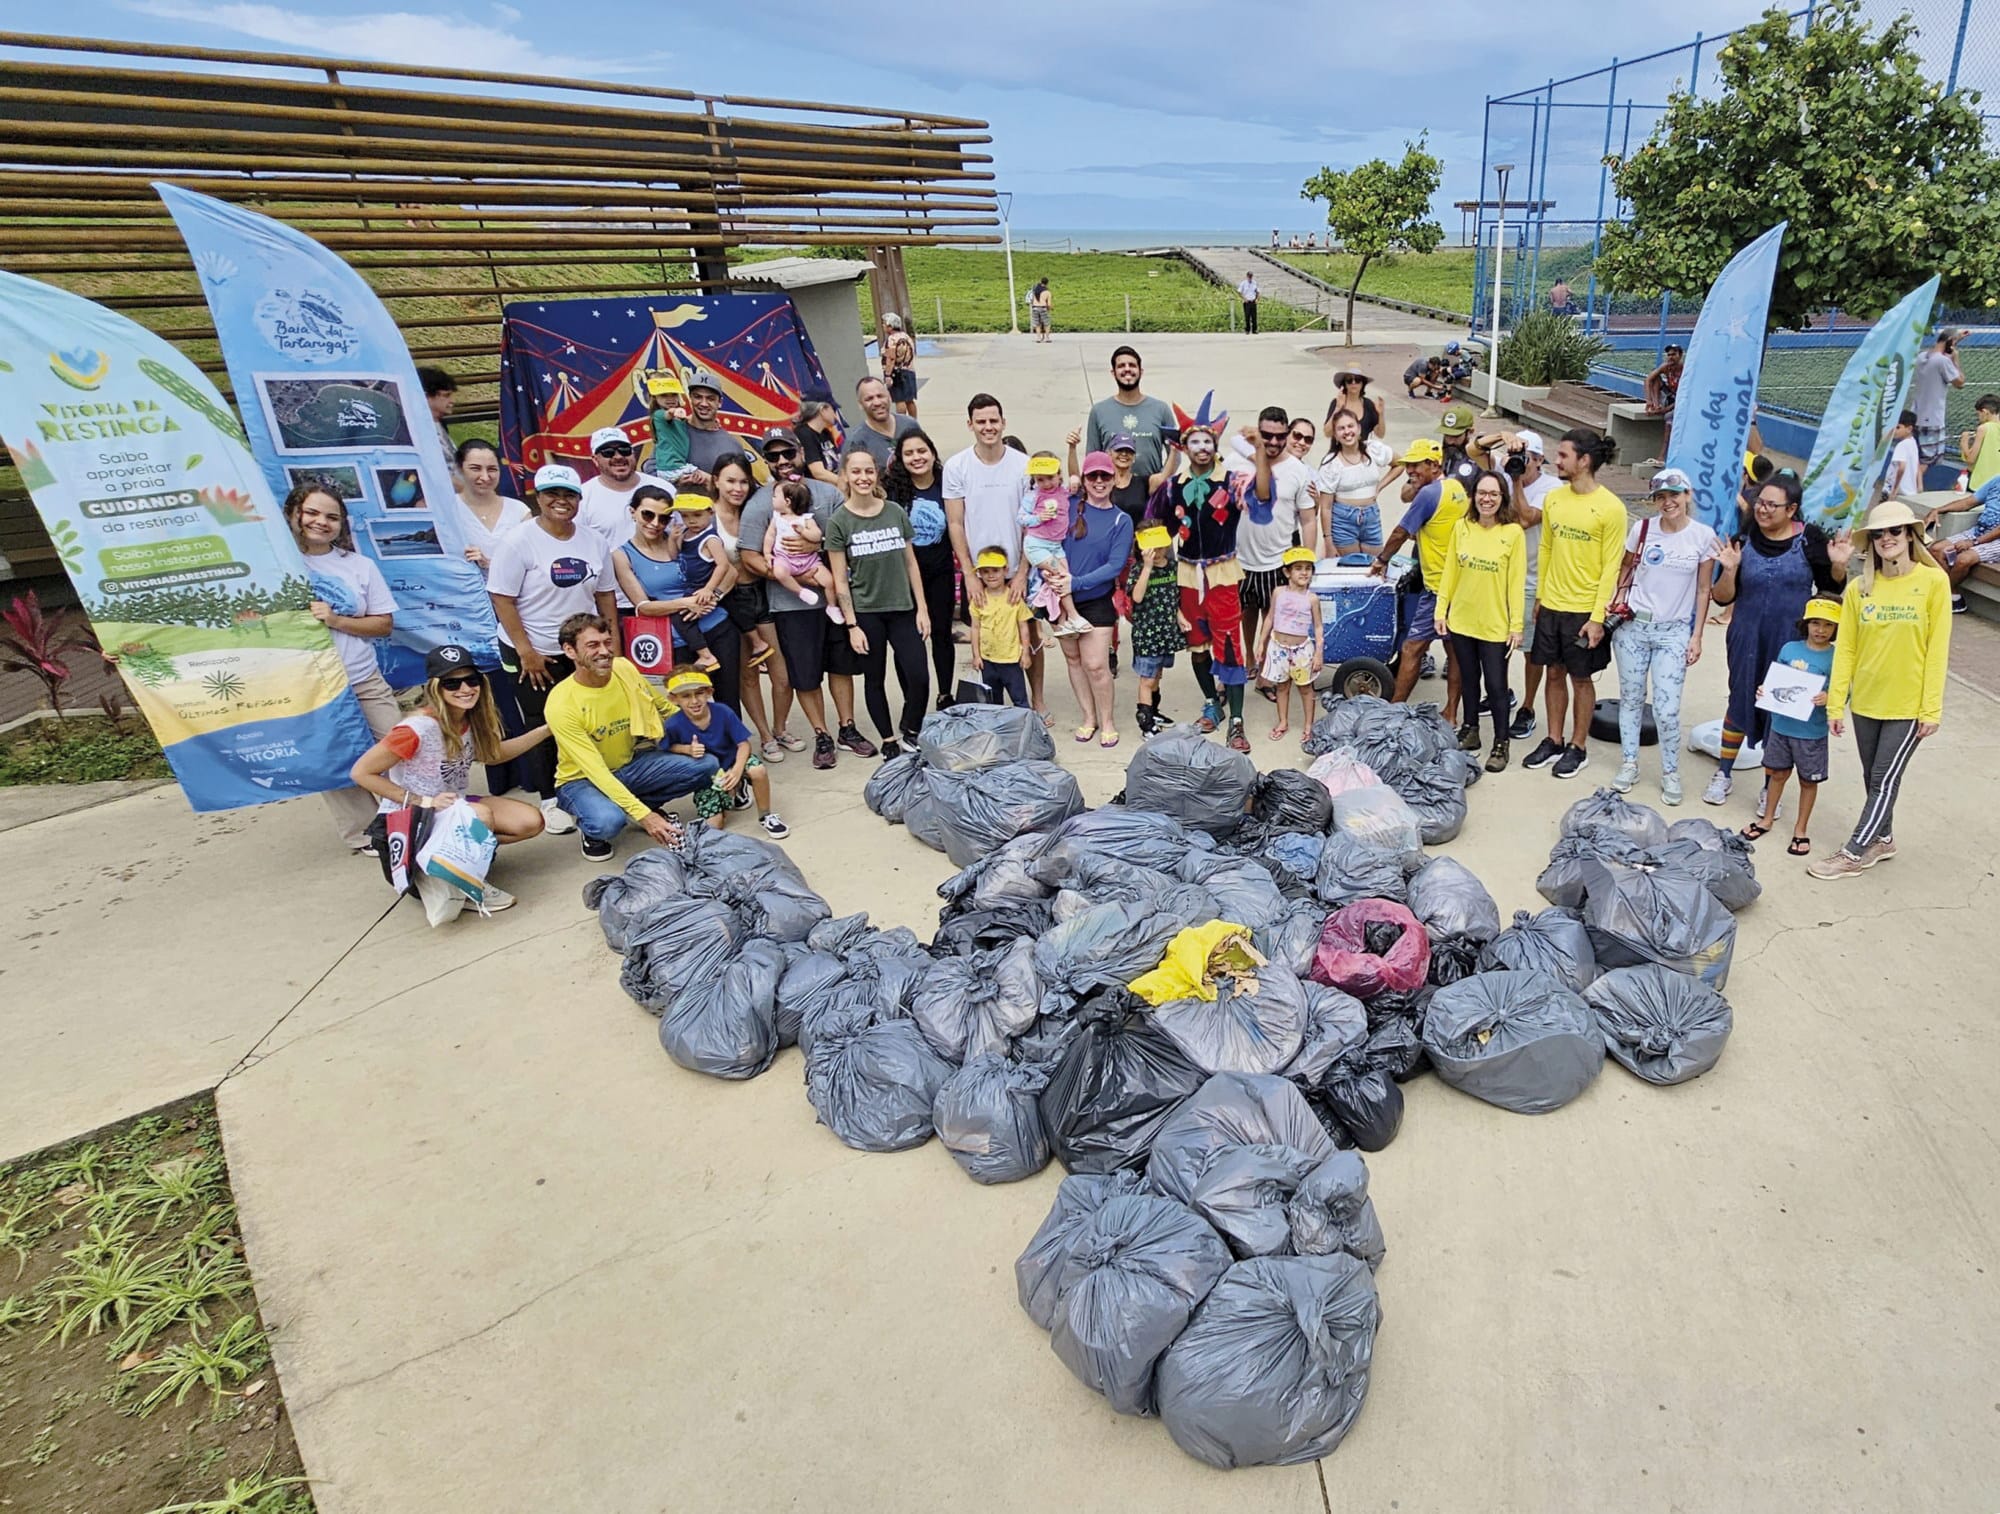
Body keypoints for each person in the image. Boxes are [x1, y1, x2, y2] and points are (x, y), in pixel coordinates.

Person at [1809, 501, 1952, 880]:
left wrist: (1931, 710)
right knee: (1874, 777)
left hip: (1907, 705)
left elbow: (1938, 650)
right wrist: (1836, 704)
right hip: (1867, 702)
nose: (1886, 539)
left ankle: (1854, 851)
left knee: (1884, 779)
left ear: (1909, 535)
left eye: (1894, 531)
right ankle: (1884, 837)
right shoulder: (1860, 588)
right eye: (1878, 534)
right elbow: (1848, 650)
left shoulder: (1934, 582)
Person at [349, 645, 551, 909]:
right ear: (435, 688)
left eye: (471, 680)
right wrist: (421, 800)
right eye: (452, 683)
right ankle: (464, 884)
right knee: (480, 817)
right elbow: (362, 772)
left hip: (448, 806)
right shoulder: (416, 728)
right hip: (409, 824)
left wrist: (547, 730)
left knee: (529, 821)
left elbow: (494, 754)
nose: (465, 689)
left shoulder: (467, 719)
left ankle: (456, 861)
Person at [486, 462, 619, 833]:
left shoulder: (593, 540)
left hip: (581, 649)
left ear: (579, 499)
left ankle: (587, 784)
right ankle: (550, 797)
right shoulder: (518, 540)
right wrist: (525, 650)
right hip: (535, 651)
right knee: (543, 723)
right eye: (552, 494)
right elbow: (502, 598)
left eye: (568, 494)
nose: (561, 501)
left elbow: (605, 595)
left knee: (589, 716)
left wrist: (613, 644)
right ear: (538, 498)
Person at [1704, 472, 1851, 805]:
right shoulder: (1744, 537)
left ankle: (1771, 786)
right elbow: (1722, 598)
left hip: (1790, 640)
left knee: (1781, 706)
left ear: (1792, 509)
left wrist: (1839, 566)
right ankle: (1723, 774)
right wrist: (1729, 569)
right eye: (1760, 502)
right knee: (1740, 698)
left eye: (1772, 504)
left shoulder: (1810, 538)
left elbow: (1831, 589)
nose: (1763, 509)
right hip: (1746, 635)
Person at [737, 429, 872, 769]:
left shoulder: (828, 494)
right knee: (805, 675)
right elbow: (750, 556)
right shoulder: (760, 503)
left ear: (800, 452)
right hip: (790, 606)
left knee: (841, 667)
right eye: (773, 456)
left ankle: (847, 727)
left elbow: (852, 540)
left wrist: (818, 545)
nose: (782, 461)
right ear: (766, 461)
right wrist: (792, 576)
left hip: (834, 599)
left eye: (788, 453)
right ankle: (821, 734)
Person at [545, 614, 716, 860]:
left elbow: (663, 708)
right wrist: (646, 817)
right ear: (570, 651)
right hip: (582, 780)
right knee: (608, 822)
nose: (604, 651)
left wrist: (714, 731)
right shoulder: (561, 703)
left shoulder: (624, 667)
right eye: (593, 645)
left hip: (629, 764)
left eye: (607, 642)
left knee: (707, 763)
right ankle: (591, 828)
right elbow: (596, 771)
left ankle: (630, 804)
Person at [287, 484, 400, 851]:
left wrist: (336, 620)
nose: (321, 522)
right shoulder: (275, 564)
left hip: (362, 676)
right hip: (310, 686)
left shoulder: (358, 566)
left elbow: (382, 624)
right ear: (294, 513)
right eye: (312, 513)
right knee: (336, 757)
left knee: (399, 745)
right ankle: (364, 832)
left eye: (332, 517)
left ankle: (410, 814)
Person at [1606, 467, 1719, 805]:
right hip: (1633, 628)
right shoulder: (1641, 529)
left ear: (1687, 496)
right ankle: (1630, 763)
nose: (1668, 502)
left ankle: (1670, 771)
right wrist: (1616, 604)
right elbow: (1625, 569)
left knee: (1667, 709)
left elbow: (1703, 589)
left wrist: (1696, 635)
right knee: (1630, 699)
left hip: (1673, 631)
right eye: (1661, 497)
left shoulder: (1702, 536)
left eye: (1674, 495)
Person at [1519, 429, 1626, 781]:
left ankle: (1577, 747)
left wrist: (1598, 617)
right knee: (1553, 673)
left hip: (1585, 610)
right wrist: (1540, 598)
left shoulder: (1611, 508)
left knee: (1581, 679)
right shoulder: (1554, 499)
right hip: (1551, 604)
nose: (1557, 461)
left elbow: (1612, 567)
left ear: (1585, 461)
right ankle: (1553, 738)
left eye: (1564, 455)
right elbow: (1546, 548)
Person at [826, 448, 931, 757]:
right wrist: (852, 625)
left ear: (877, 474)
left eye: (868, 471)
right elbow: (840, 579)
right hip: (866, 613)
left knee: (919, 676)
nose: (863, 477)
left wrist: (922, 608)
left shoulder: (895, 512)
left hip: (902, 609)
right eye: (856, 471)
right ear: (845, 475)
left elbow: (911, 563)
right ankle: (887, 739)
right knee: (875, 679)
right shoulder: (839, 522)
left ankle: (911, 728)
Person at [944, 393, 1043, 718]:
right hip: (981, 574)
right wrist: (969, 574)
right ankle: (997, 709)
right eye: (981, 421)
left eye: (994, 420)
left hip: (1018, 566)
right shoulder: (957, 466)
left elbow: (1033, 524)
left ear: (1003, 423)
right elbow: (956, 523)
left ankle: (1036, 700)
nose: (988, 427)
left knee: (1030, 633)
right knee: (986, 631)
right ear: (970, 424)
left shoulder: (1022, 465)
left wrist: (1023, 570)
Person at [1160, 422, 1252, 751]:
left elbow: (1264, 496)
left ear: (1215, 445)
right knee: (1197, 644)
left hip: (1222, 574)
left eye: (1207, 441)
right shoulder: (1174, 486)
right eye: (1194, 441)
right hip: (1187, 574)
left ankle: (1237, 719)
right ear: (1185, 447)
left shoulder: (1233, 481)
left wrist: (1258, 456)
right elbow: (1161, 528)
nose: (1201, 447)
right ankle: (1212, 701)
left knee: (1229, 646)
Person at [706, 453, 797, 758]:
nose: (738, 488)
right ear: (716, 481)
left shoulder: (756, 509)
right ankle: (765, 735)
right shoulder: (706, 516)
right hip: (729, 602)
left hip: (763, 592)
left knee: (781, 671)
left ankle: (781, 727)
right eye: (730, 480)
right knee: (747, 675)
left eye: (744, 481)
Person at [1434, 469, 1526, 770]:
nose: (1487, 499)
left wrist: (1516, 626)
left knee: (1497, 685)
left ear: (1502, 498)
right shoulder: (1462, 527)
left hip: (1495, 625)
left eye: (1494, 494)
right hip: (1462, 620)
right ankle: (1470, 730)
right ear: (1473, 496)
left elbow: (1516, 582)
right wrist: (1441, 610)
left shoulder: (1512, 534)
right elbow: (1450, 571)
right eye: (1482, 493)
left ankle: (1501, 743)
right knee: (1468, 679)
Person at [1368, 440, 1466, 716]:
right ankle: (1452, 712)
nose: (1409, 469)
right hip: (1459, 584)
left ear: (1434, 465)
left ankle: (1394, 710)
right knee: (1454, 650)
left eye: (1416, 464)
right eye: (1408, 464)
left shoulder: (1429, 494)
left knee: (1412, 648)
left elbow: (1400, 532)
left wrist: (1382, 559)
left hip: (1437, 587)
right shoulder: (1456, 488)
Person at [1741, 599, 1839, 858]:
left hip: (1812, 732)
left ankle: (1800, 829)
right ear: (1805, 624)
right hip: (1782, 725)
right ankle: (1767, 819)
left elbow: (1844, 690)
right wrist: (1765, 690)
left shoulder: (1836, 656)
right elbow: (1776, 681)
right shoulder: (1789, 648)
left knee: (1809, 781)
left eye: (1828, 625)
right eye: (1815, 623)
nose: (1821, 629)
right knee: (1777, 774)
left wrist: (1829, 697)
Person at [1224, 406, 1318, 675]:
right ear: (1258, 432)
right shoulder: (1235, 461)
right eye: (1267, 435)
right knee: (1245, 612)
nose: (1274, 442)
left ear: (1287, 434)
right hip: (1239, 557)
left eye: (1280, 436)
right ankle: (1249, 661)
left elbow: (1308, 519)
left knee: (1274, 615)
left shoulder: (1298, 470)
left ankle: (1267, 667)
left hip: (1279, 557)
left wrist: (1307, 562)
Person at [1051, 451, 1135, 747]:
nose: (1099, 481)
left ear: (1114, 479)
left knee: (1096, 664)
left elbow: (1114, 565)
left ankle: (1107, 720)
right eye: (1092, 476)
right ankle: (1089, 717)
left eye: (1105, 476)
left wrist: (1076, 582)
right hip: (1059, 597)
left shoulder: (1120, 520)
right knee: (1073, 659)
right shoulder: (1068, 505)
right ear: (1084, 480)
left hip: (1096, 599)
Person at [661, 669, 789, 839]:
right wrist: (686, 749)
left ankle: (766, 815)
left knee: (757, 770)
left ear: (709, 693)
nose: (694, 701)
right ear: (673, 699)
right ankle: (733, 791)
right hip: (706, 775)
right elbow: (665, 747)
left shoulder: (723, 712)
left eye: (699, 693)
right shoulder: (673, 724)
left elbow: (743, 744)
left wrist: (737, 770)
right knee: (714, 826)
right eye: (685, 696)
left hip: (732, 761)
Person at [881, 427, 957, 708]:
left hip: (940, 573)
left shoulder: (946, 483)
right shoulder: (892, 489)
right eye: (909, 453)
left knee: (941, 634)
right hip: (903, 578)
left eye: (921, 451)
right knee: (908, 642)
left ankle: (945, 694)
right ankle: (912, 700)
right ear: (900, 458)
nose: (916, 457)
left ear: (933, 453)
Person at [1506, 430, 1558, 740]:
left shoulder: (1552, 487)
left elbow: (1525, 518)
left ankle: (1527, 707)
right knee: (1495, 643)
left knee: (1529, 650)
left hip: (1531, 579)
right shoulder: (1503, 469)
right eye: (1518, 457)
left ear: (1538, 460)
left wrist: (1514, 480)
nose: (1520, 464)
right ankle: (1501, 693)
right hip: (1500, 575)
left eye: (1526, 459)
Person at [1254, 546, 1323, 743]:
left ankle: (1309, 726)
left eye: (1308, 568)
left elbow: (1318, 627)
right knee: (1282, 686)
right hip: (1278, 649)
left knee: (1306, 688)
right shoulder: (1278, 593)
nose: (1304, 572)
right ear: (1287, 572)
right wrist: (1261, 644)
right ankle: (1283, 722)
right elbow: (1269, 619)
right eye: (1298, 568)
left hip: (1302, 651)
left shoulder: (1312, 598)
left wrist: (1318, 653)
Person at [1019, 452, 1093, 634]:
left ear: (1059, 474)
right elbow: (1021, 518)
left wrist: (1075, 479)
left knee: (1063, 578)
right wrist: (1038, 518)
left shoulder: (1064, 492)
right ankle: (1074, 616)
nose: (1046, 483)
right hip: (1036, 545)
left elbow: (1076, 480)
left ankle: (1063, 621)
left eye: (1050, 478)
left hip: (1056, 545)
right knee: (1061, 576)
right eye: (1040, 480)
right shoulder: (1033, 496)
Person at [1084, 347, 1179, 480]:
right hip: (1112, 493)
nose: (1127, 369)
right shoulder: (1099, 411)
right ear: (1113, 373)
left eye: (1132, 365)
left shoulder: (1161, 409)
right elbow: (1092, 458)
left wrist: (1160, 481)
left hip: (1151, 493)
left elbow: (1175, 454)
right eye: (1121, 366)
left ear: (1140, 372)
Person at [1126, 523, 1185, 735]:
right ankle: (1146, 722)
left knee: (1158, 674)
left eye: (1161, 547)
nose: (1158, 552)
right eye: (1153, 548)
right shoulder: (1138, 569)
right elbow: (1137, 596)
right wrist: (1148, 567)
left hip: (1166, 632)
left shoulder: (1172, 567)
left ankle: (1154, 709)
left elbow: (1173, 597)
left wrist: (1180, 617)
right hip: (1147, 634)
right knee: (1147, 678)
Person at [1313, 410, 1396, 560]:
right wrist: (1328, 542)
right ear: (1335, 435)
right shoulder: (1331, 463)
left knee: (1375, 566)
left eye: (1350, 426)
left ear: (1358, 429)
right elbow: (1326, 507)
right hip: (1343, 521)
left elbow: (1400, 464)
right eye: (1341, 428)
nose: (1347, 432)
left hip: (1371, 518)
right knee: (1350, 568)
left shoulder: (1373, 450)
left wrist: (1380, 487)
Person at [576, 425, 666, 549]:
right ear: (595, 460)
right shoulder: (582, 497)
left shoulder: (663, 487)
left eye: (624, 450)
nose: (618, 457)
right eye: (608, 453)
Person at [763, 480, 841, 617]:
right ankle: (800, 591)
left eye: (775, 496)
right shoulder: (777, 518)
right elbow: (770, 536)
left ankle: (832, 606)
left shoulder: (805, 519)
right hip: (784, 558)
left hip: (809, 560)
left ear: (787, 501)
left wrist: (803, 531)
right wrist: (767, 553)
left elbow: (817, 536)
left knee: (829, 581)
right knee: (780, 572)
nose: (772, 499)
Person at [1924, 473, 2000, 612]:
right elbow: (1968, 502)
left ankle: (1940, 597)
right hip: (1978, 531)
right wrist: (1938, 510)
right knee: (1936, 549)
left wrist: (1973, 542)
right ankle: (1953, 596)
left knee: (1963, 559)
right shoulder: (1997, 480)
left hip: (1996, 540)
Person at [452, 439, 529, 576]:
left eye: (492, 469)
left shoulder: (519, 511)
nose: (485, 477)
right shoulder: (448, 509)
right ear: (459, 469)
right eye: (475, 469)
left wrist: (489, 563)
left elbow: (532, 560)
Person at [968, 548, 1033, 706]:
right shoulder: (978, 600)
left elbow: (1023, 627)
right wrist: (976, 655)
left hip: (1011, 659)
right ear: (980, 574)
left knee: (1019, 698)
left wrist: (1025, 653)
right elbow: (975, 628)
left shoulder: (1014, 597)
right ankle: (998, 728)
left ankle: (1024, 726)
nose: (991, 575)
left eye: (996, 570)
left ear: (1006, 570)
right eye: (985, 571)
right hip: (988, 659)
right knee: (992, 701)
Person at [678, 368, 753, 490]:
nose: (703, 403)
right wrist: (674, 478)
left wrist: (709, 481)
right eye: (698, 397)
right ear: (690, 398)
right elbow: (651, 469)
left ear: (720, 402)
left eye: (710, 398)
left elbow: (744, 486)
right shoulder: (674, 433)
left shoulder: (732, 445)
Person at [1911, 329, 1965, 471]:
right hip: (1932, 418)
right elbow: (1960, 383)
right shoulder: (1943, 361)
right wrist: (1955, 360)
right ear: (1950, 343)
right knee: (1926, 460)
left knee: (1916, 456)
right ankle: (1914, 489)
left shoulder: (1922, 356)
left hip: (1916, 414)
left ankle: (1914, 487)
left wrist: (1957, 338)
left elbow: (1943, 347)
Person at [845, 375, 919, 473]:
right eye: (869, 399)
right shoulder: (856, 441)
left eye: (880, 396)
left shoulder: (910, 425)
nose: (877, 402)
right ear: (860, 404)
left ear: (889, 396)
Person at [418, 366, 463, 495]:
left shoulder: (439, 423)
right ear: (426, 397)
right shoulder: (417, 431)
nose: (452, 401)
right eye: (446, 396)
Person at [644, 371, 693, 485]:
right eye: (664, 395)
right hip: (671, 468)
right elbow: (669, 414)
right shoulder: (659, 415)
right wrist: (675, 411)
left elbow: (689, 419)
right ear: (654, 397)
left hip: (677, 466)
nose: (670, 399)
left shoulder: (679, 418)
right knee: (705, 478)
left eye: (673, 394)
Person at [793, 400, 844, 485]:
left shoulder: (825, 433)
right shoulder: (804, 434)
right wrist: (847, 484)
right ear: (822, 410)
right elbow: (818, 472)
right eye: (833, 410)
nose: (835, 416)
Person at [880, 312, 920, 417]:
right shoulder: (906, 337)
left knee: (899, 399)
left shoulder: (891, 339)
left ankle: (902, 422)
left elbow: (891, 357)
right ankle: (914, 421)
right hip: (910, 370)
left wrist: (888, 374)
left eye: (884, 324)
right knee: (909, 400)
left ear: (890, 326)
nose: (883, 326)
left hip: (897, 373)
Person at [1880, 409, 1922, 503]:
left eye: (1898, 427)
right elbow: (1917, 464)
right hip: (1910, 492)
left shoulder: (1901, 445)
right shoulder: (1913, 443)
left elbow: (1902, 467)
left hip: (1895, 492)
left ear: (1909, 429)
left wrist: (1894, 490)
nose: (1895, 431)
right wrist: (1920, 485)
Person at [1327, 370, 1383, 441]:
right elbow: (1327, 433)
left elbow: (1380, 434)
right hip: (1341, 449)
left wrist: (1380, 414)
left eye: (1357, 380)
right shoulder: (1336, 403)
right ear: (1345, 384)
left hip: (1362, 449)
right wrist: (1338, 408)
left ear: (1362, 383)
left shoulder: (1368, 404)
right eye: (1349, 380)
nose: (1353, 383)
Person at [1961, 392, 2000, 492]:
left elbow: (1970, 459)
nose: (1978, 417)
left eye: (1978, 414)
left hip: (1981, 483)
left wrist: (1964, 443)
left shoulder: (1983, 429)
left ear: (1985, 412)